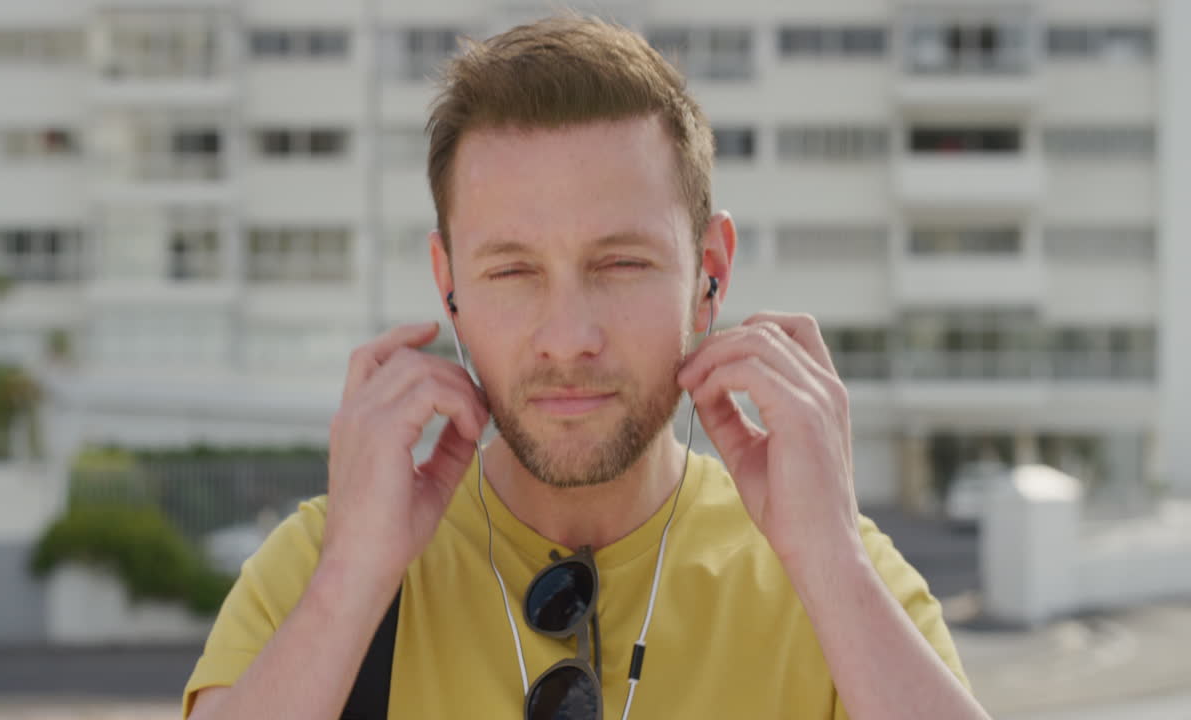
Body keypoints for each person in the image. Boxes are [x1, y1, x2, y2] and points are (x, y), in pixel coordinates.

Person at [183, 15, 990, 720]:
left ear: (710, 270)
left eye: (621, 264)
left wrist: (831, 569)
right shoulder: (326, 560)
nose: (567, 338)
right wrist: (352, 583)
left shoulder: (839, 570)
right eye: (512, 271)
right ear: (449, 285)